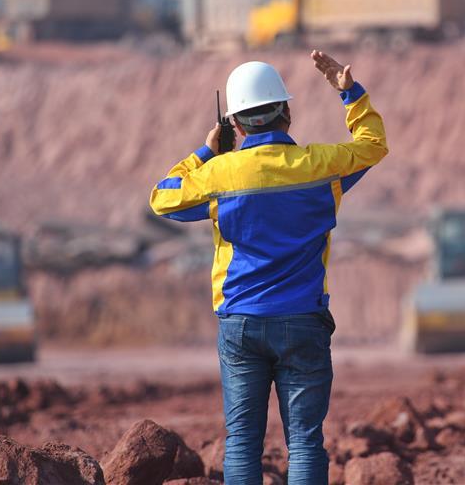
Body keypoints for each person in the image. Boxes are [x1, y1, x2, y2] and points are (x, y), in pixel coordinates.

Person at [149, 50, 387, 484]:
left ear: (236, 125)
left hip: (240, 324)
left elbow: (163, 197)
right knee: (305, 441)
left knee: (242, 442)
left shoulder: (221, 174)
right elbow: (373, 145)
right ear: (287, 114)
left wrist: (207, 150)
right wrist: (349, 92)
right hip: (303, 322)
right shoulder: (319, 167)